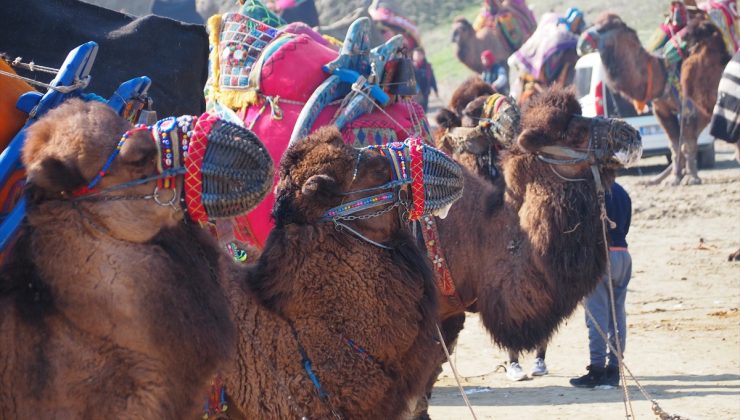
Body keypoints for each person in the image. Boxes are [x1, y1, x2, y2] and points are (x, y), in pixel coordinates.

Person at [570, 182, 632, 389]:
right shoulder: (622, 192)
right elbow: (627, 225)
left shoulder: (588, 192)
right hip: (623, 255)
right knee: (618, 315)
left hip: (600, 257)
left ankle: (596, 370)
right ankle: (614, 370)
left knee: (597, 317)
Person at [412, 47, 438, 113]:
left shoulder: (428, 66)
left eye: (419, 55)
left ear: (423, 55)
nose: (417, 56)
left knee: (424, 110)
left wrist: (435, 90)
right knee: (416, 111)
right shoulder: (411, 67)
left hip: (425, 92)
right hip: (415, 94)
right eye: (415, 55)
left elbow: (432, 79)